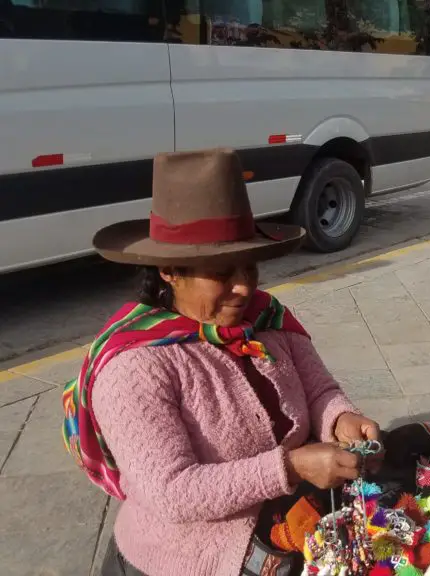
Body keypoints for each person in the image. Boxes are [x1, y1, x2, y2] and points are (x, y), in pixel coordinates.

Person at [61, 149, 381, 576]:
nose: (243, 288)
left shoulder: (270, 321)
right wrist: (291, 466)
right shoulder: (135, 368)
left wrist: (341, 419)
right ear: (170, 271)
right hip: (182, 561)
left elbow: (318, 390)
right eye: (222, 272)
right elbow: (173, 492)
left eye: (249, 267)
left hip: (284, 530)